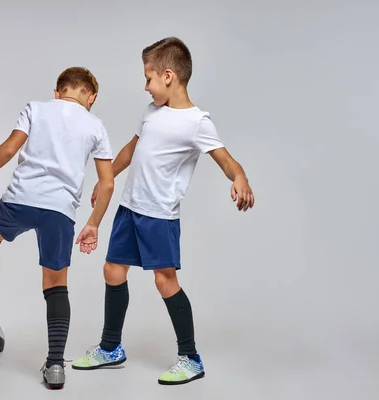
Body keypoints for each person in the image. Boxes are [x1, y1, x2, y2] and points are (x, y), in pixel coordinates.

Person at [71, 37, 255, 385]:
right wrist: (107, 177)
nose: (145, 86)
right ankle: (111, 347)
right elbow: (130, 148)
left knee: (164, 280)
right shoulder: (152, 112)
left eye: (149, 78)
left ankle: (190, 358)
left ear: (168, 76)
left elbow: (227, 160)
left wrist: (240, 178)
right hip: (129, 208)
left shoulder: (198, 122)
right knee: (112, 269)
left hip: (159, 216)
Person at [0, 67, 115, 389]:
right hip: (60, 213)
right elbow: (106, 184)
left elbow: (8, 150)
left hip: (20, 200)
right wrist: (93, 223)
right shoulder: (95, 126)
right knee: (55, 284)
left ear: (57, 91)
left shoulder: (36, 108)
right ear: (91, 96)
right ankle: (55, 366)